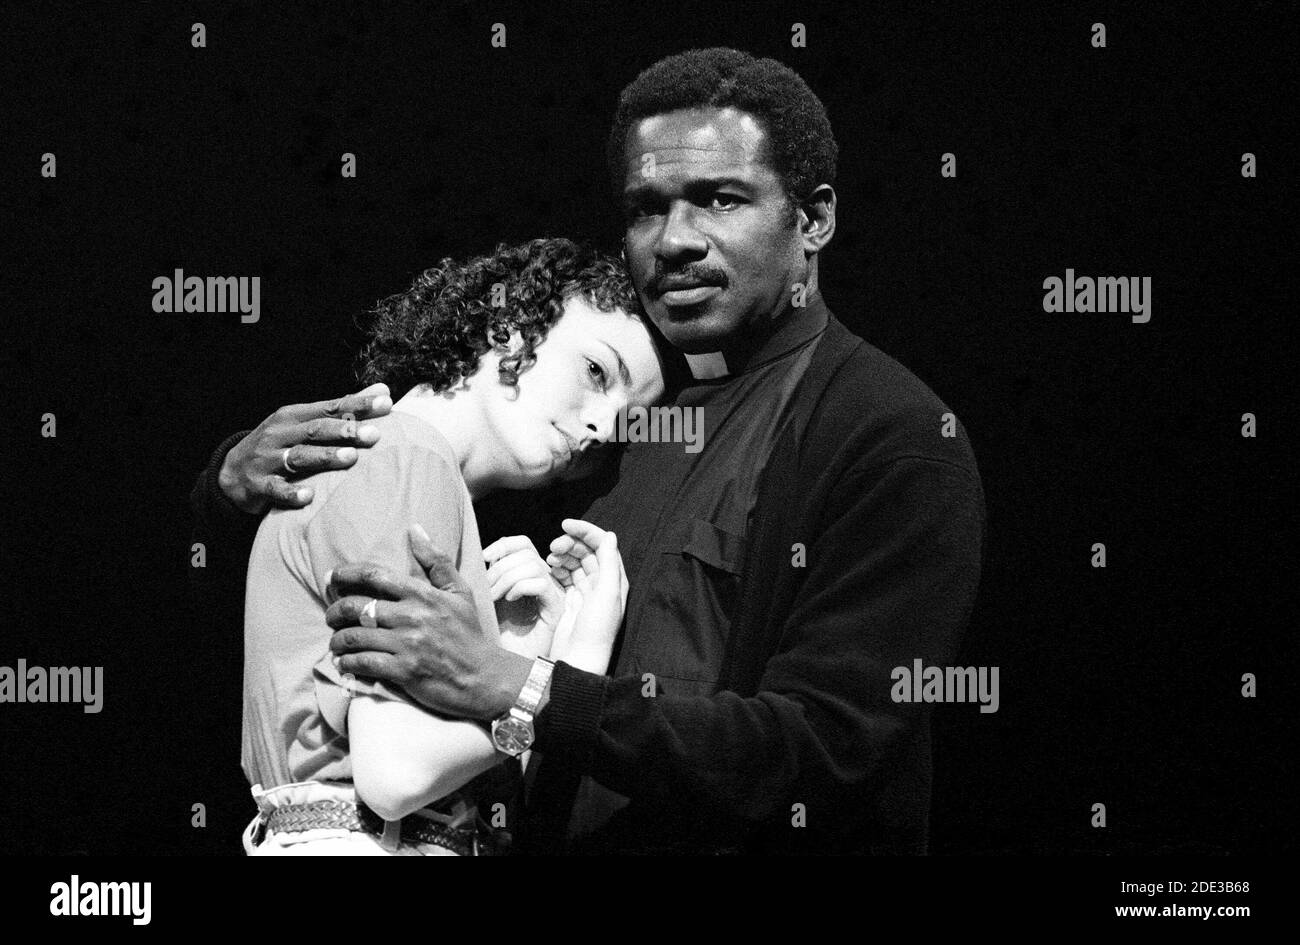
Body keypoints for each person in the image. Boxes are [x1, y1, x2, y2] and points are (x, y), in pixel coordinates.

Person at [193, 48, 986, 855]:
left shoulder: (889, 436)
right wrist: (234, 478)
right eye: (647, 207)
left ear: (811, 219)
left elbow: (823, 749)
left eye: (720, 199)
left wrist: (523, 688)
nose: (675, 238)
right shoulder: (618, 432)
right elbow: (345, 572)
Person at [236, 237, 664, 854]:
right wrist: (563, 667)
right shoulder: (410, 459)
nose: (603, 427)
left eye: (626, 421)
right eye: (597, 372)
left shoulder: (396, 462)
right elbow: (395, 776)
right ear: (513, 323)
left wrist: (514, 649)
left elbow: (435, 779)